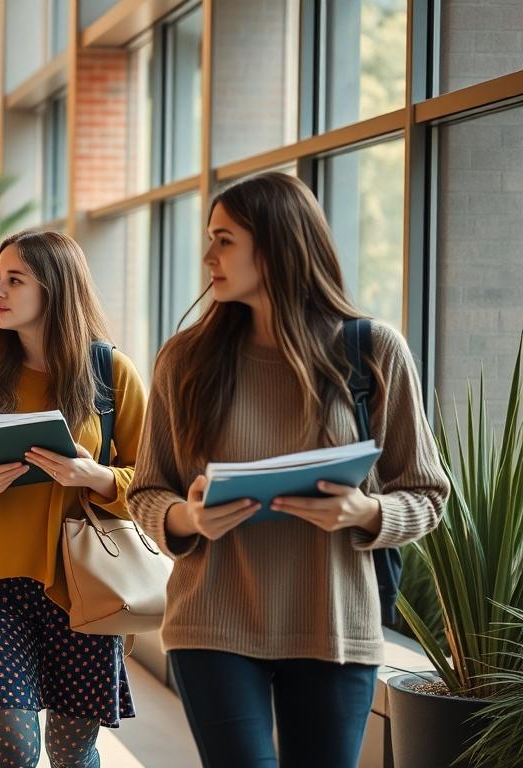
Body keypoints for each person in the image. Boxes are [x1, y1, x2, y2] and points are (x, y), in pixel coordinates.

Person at [127, 172, 449, 768]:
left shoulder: (372, 353)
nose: (207, 257)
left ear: (275, 245)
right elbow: (147, 488)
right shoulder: (185, 361)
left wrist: (368, 512)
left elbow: (427, 492)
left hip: (333, 628)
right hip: (211, 622)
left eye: (224, 240)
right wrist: (186, 517)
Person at [0, 230, 146, 768]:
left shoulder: (110, 373)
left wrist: (95, 477)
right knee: (14, 748)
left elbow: (154, 484)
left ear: (56, 289)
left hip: (84, 586)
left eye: (15, 280)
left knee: (73, 753)